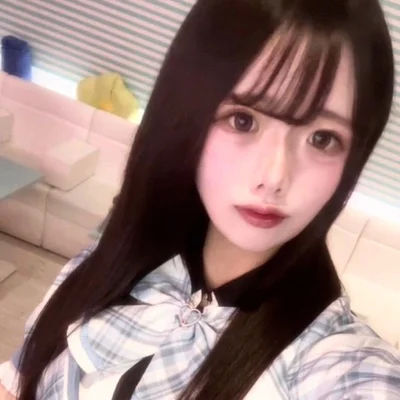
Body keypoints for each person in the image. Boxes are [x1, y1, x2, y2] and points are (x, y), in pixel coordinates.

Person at [1, 0, 400, 398]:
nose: (274, 178)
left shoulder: (342, 365)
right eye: (243, 120)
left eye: (322, 139)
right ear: (186, 116)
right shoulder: (109, 262)